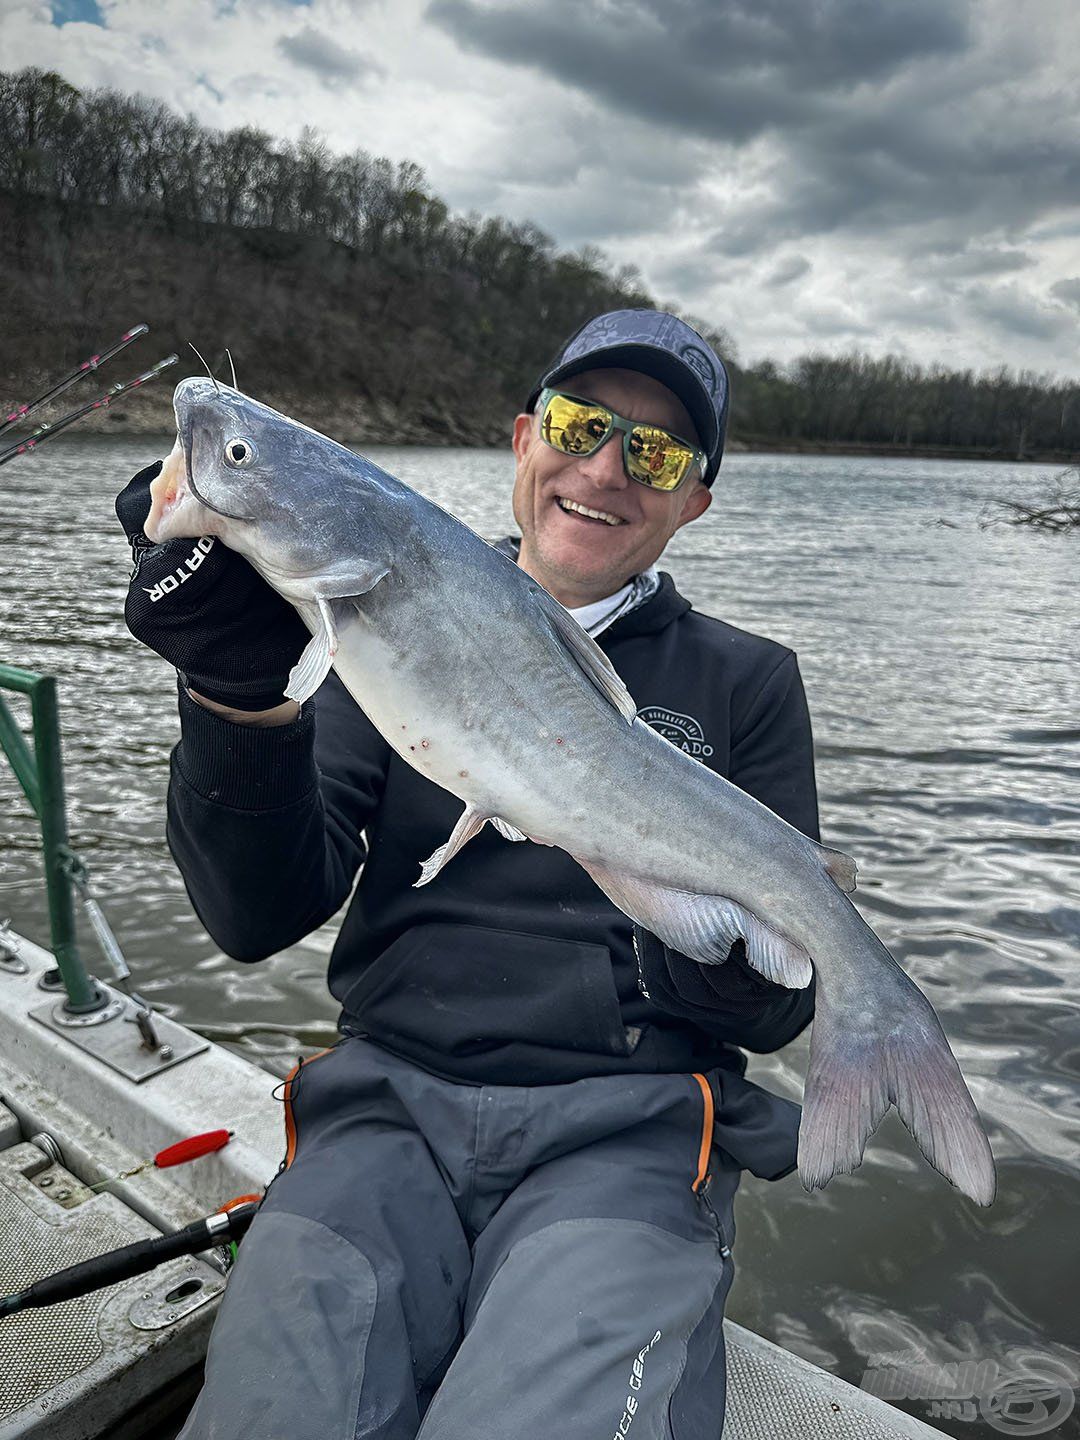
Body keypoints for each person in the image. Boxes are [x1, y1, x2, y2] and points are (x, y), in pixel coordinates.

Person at [116, 309, 821, 1439]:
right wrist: (236, 696)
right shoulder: (368, 618)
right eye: (582, 425)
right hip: (384, 1113)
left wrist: (678, 893)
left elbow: (780, 1006)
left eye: (656, 452)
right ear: (522, 439)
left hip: (626, 1135)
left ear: (696, 498)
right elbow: (257, 918)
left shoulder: (748, 681)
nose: (604, 470)